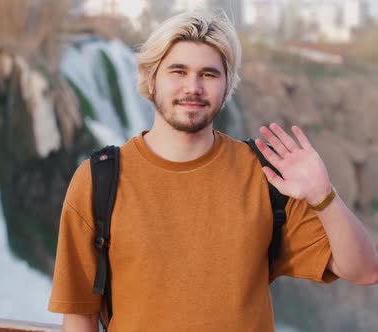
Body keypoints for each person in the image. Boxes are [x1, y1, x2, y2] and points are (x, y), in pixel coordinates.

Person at [47, 9, 378, 331]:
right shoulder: (99, 180)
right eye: (178, 71)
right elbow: (79, 316)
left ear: (226, 85)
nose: (193, 87)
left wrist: (324, 196)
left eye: (209, 74)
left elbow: (364, 270)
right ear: (151, 79)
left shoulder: (264, 176)